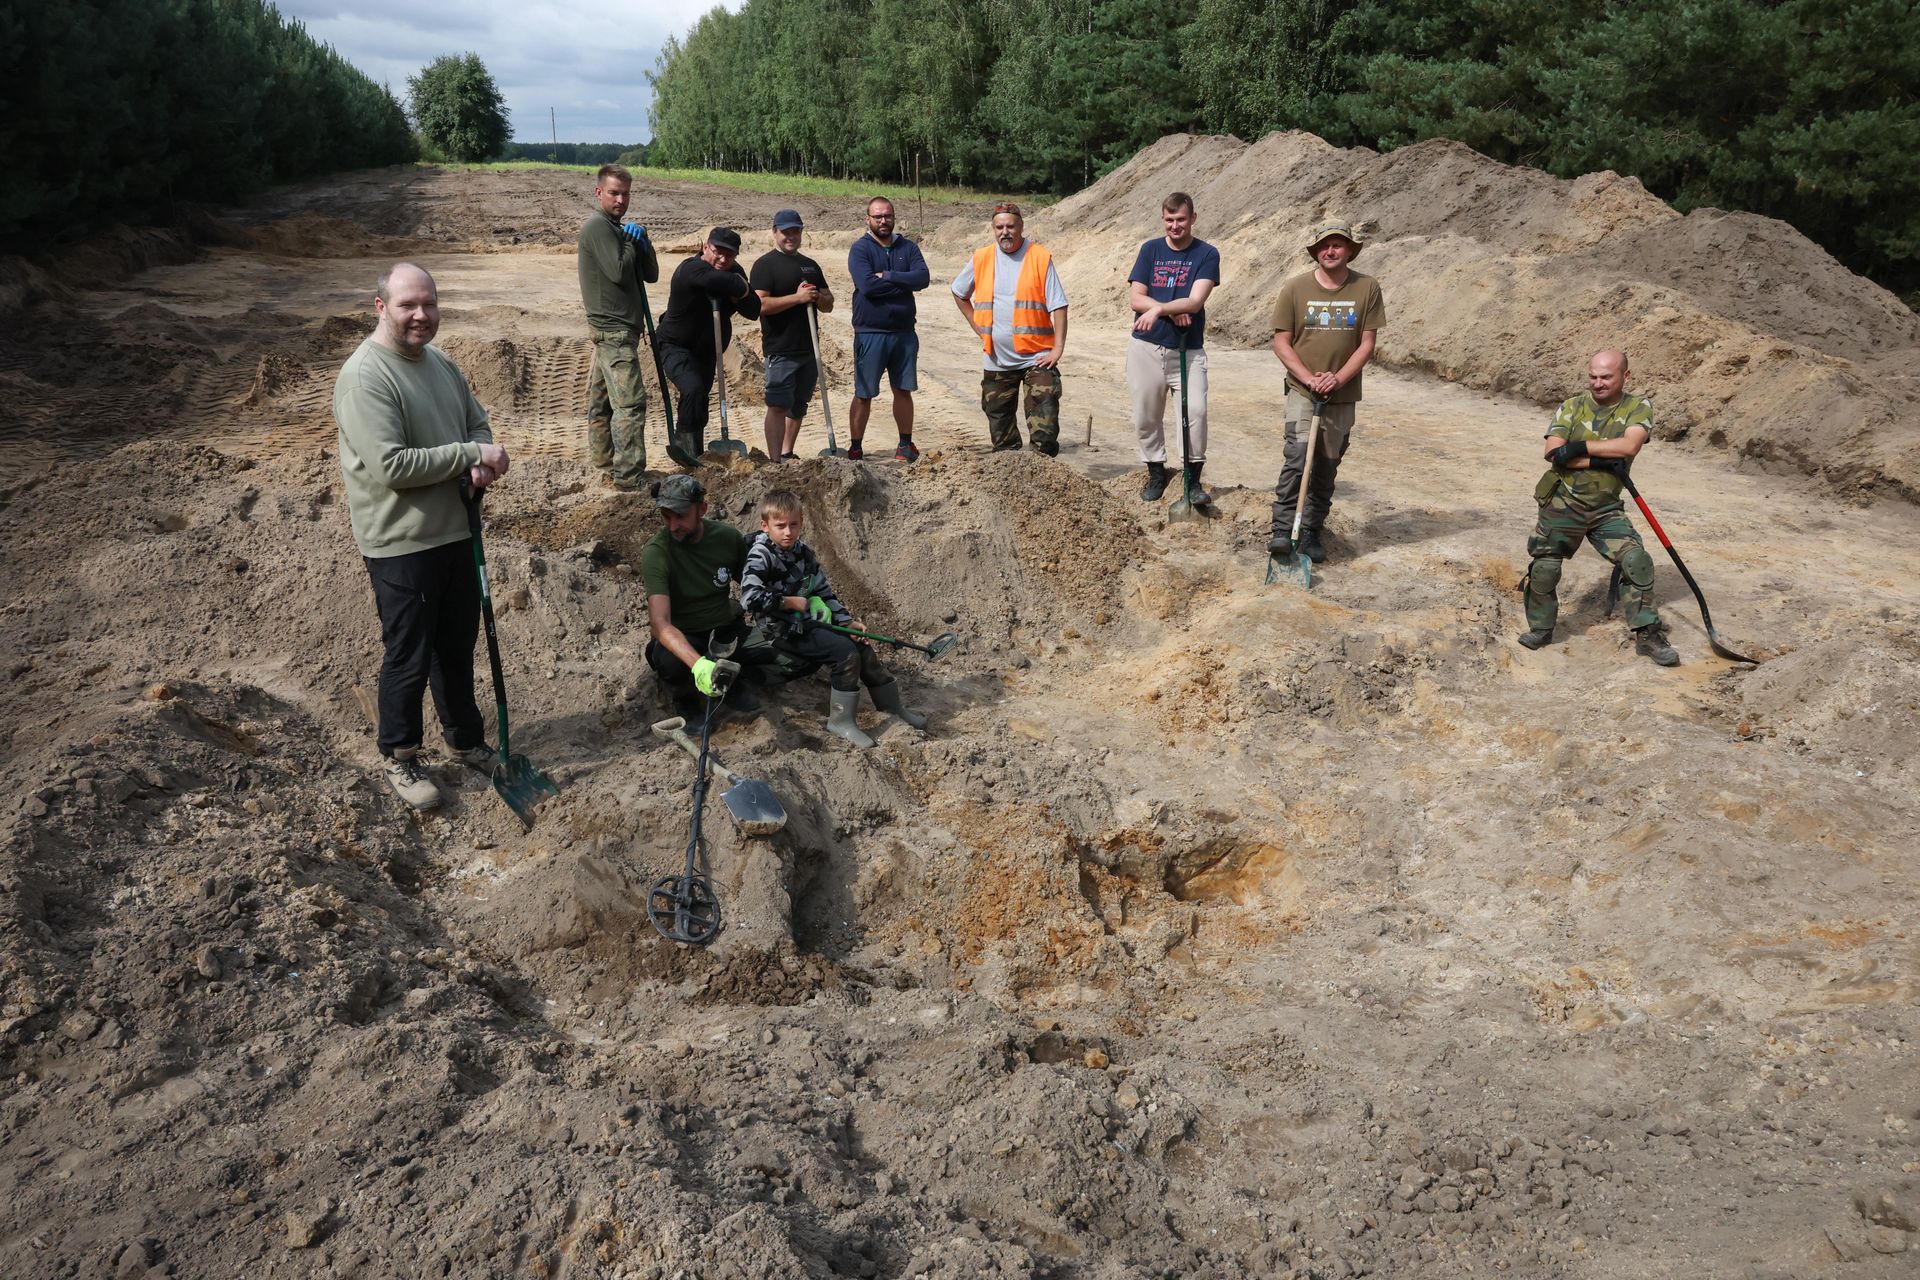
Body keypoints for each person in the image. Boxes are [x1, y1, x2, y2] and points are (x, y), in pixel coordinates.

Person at [334, 262, 510, 810]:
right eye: (408, 304)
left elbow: (475, 423)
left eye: (429, 304)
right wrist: (469, 455)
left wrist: (479, 459)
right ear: (380, 306)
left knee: (456, 647)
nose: (421, 315)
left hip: (455, 530)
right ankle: (400, 755)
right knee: (408, 654)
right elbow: (391, 465)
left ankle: (464, 740)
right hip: (400, 543)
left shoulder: (441, 363)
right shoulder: (365, 376)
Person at [1518, 350, 1679, 666]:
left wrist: (1578, 448)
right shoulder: (1573, 407)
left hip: (1606, 509)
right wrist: (1601, 461)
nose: (1598, 383)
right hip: (1562, 502)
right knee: (1545, 569)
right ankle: (1541, 628)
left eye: (1606, 377)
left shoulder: (1637, 407)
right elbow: (1553, 452)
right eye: (1593, 376)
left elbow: (1630, 445)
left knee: (1637, 561)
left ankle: (1648, 635)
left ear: (1625, 377)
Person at [739, 489, 927, 747]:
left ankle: (894, 708)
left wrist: (845, 621)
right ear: (765, 525)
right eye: (780, 526)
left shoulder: (802, 551)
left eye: (794, 525)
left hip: (805, 623)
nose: (788, 532)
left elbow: (822, 590)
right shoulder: (761, 554)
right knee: (844, 654)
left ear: (801, 524)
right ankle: (840, 721)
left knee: (861, 644)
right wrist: (787, 601)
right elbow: (749, 597)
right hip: (780, 630)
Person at [1267, 218, 1386, 563]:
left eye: (1337, 244)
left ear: (1349, 250)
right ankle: (1282, 529)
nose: (1330, 251)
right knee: (1296, 458)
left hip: (1342, 394)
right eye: (1324, 245)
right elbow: (1281, 342)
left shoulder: (1367, 288)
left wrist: (1336, 379)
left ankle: (1312, 529)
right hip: (1302, 391)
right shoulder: (1294, 289)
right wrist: (1308, 378)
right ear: (1316, 251)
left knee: (1327, 464)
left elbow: (1367, 344)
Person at [641, 474, 777, 720]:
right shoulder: (657, 553)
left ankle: (731, 678)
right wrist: (698, 665)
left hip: (724, 632)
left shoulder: (727, 538)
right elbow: (660, 623)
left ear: (701, 509)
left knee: (781, 651)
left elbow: (756, 586)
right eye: (666, 517)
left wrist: (802, 601)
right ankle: (686, 698)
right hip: (685, 636)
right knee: (669, 663)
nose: (672, 526)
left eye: (680, 516)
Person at [949, 202, 1069, 455]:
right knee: (1002, 439)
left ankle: (1042, 478)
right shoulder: (981, 258)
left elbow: (1058, 305)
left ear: (1021, 226)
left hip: (1037, 359)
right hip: (997, 361)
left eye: (1010, 226)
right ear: (993, 229)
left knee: (1044, 433)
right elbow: (959, 292)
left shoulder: (1039, 257)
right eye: (999, 227)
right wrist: (978, 327)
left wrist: (1057, 349)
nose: (1005, 232)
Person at [1127, 191, 1221, 504]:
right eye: (1169, 220)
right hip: (1147, 348)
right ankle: (1156, 471)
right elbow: (1135, 298)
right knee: (1146, 414)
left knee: (1195, 410)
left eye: (1181, 219)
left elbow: (1195, 301)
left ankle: (1192, 480)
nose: (1175, 226)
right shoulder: (1150, 250)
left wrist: (1155, 310)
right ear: (1163, 219)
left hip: (1188, 349)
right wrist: (1165, 308)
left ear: (1192, 218)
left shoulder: (1206, 254)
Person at [575, 163, 659, 489]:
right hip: (613, 331)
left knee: (601, 402)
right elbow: (619, 271)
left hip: (618, 331)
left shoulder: (617, 229)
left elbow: (649, 275)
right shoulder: (598, 227)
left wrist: (644, 241)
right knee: (629, 404)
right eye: (613, 193)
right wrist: (628, 241)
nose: (620, 200)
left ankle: (604, 463)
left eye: (625, 193)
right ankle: (628, 476)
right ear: (599, 193)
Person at [654, 228, 761, 466]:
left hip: (708, 350)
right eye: (717, 252)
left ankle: (696, 454)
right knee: (692, 387)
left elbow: (753, 310)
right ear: (705, 247)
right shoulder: (689, 268)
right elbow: (712, 279)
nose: (722, 259)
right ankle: (684, 446)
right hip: (674, 344)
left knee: (700, 400)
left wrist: (740, 290)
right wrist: (738, 287)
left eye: (730, 256)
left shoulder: (734, 272)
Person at [846, 196, 930, 462]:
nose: (884, 221)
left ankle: (905, 445)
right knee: (864, 392)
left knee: (902, 390)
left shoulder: (908, 247)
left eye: (888, 216)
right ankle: (856, 446)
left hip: (904, 332)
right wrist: (905, 283)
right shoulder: (860, 249)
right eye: (878, 216)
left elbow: (923, 278)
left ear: (894, 217)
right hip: (870, 332)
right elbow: (868, 286)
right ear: (868, 219)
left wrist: (890, 276)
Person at [749, 209, 834, 461]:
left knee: (798, 406)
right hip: (780, 348)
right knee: (777, 405)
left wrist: (816, 296)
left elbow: (829, 303)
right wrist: (797, 298)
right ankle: (775, 460)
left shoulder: (810, 266)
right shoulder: (765, 265)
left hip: (809, 349)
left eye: (795, 231)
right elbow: (760, 305)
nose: (790, 236)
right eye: (785, 232)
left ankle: (787, 453)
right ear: (775, 232)